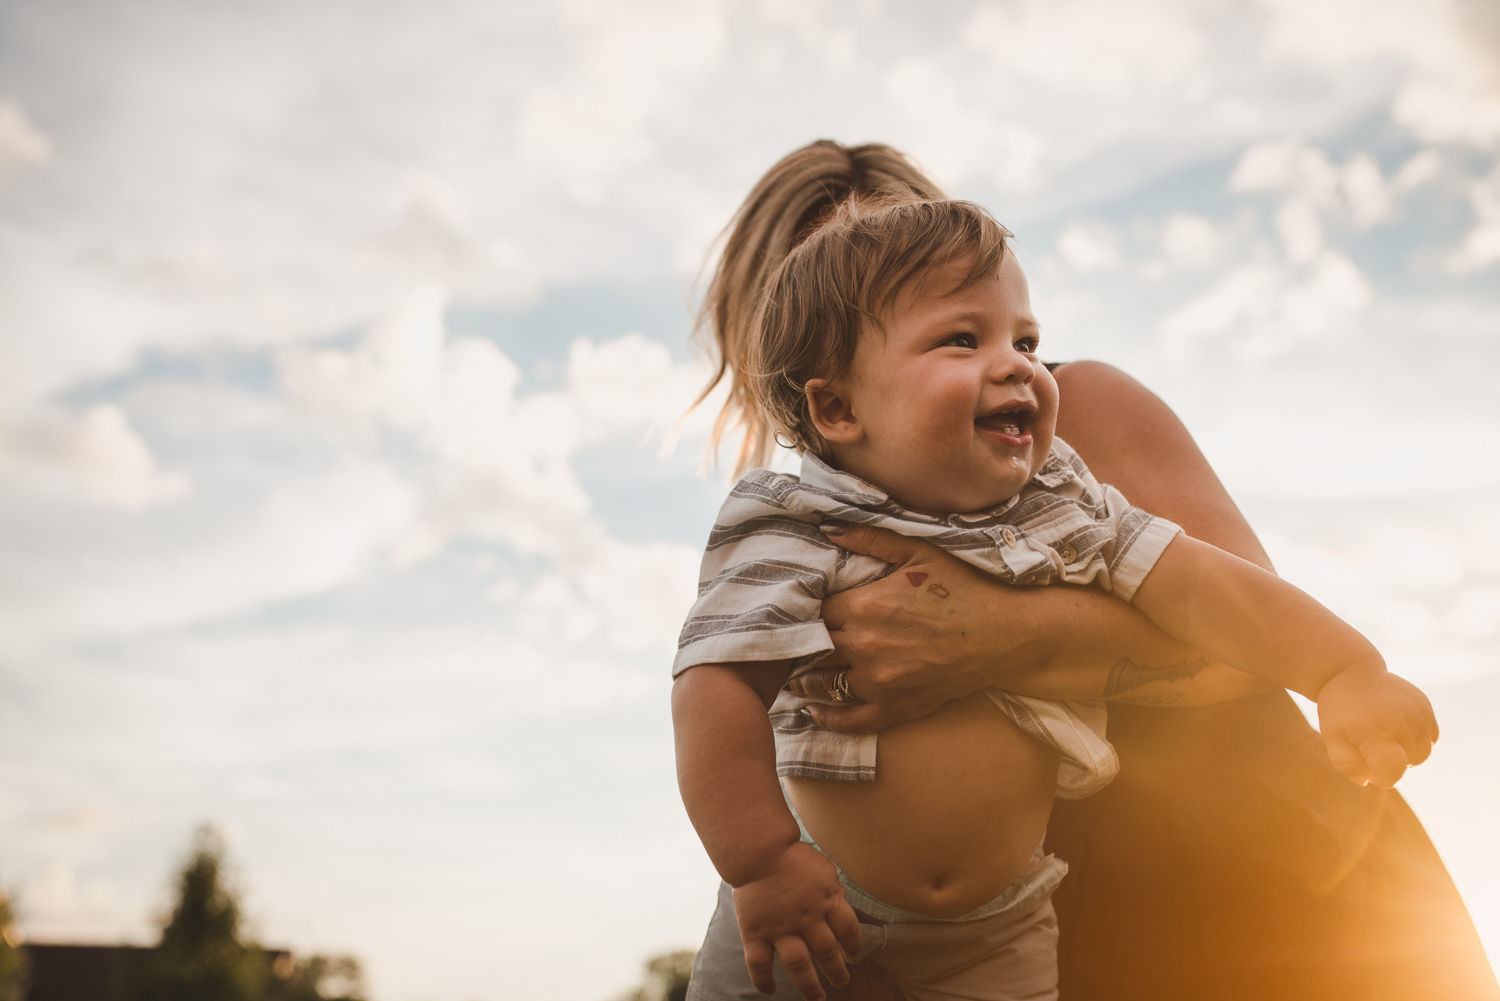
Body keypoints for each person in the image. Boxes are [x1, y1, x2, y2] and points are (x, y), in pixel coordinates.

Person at [681, 140, 1498, 1001]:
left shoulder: (1063, 437)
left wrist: (995, 636)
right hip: (1040, 910)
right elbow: (736, 716)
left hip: (1254, 877)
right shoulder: (793, 526)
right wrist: (772, 867)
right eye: (816, 276)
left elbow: (1244, 625)